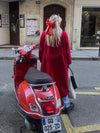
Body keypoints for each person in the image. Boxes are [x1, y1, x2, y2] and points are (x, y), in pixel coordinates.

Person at [39, 14, 74, 113]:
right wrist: (68, 62)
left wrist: (42, 60)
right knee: (62, 84)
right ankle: (66, 105)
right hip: (61, 64)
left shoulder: (44, 34)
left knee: (49, 83)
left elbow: (41, 50)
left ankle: (50, 104)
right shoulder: (63, 34)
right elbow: (67, 51)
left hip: (47, 64)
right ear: (58, 23)